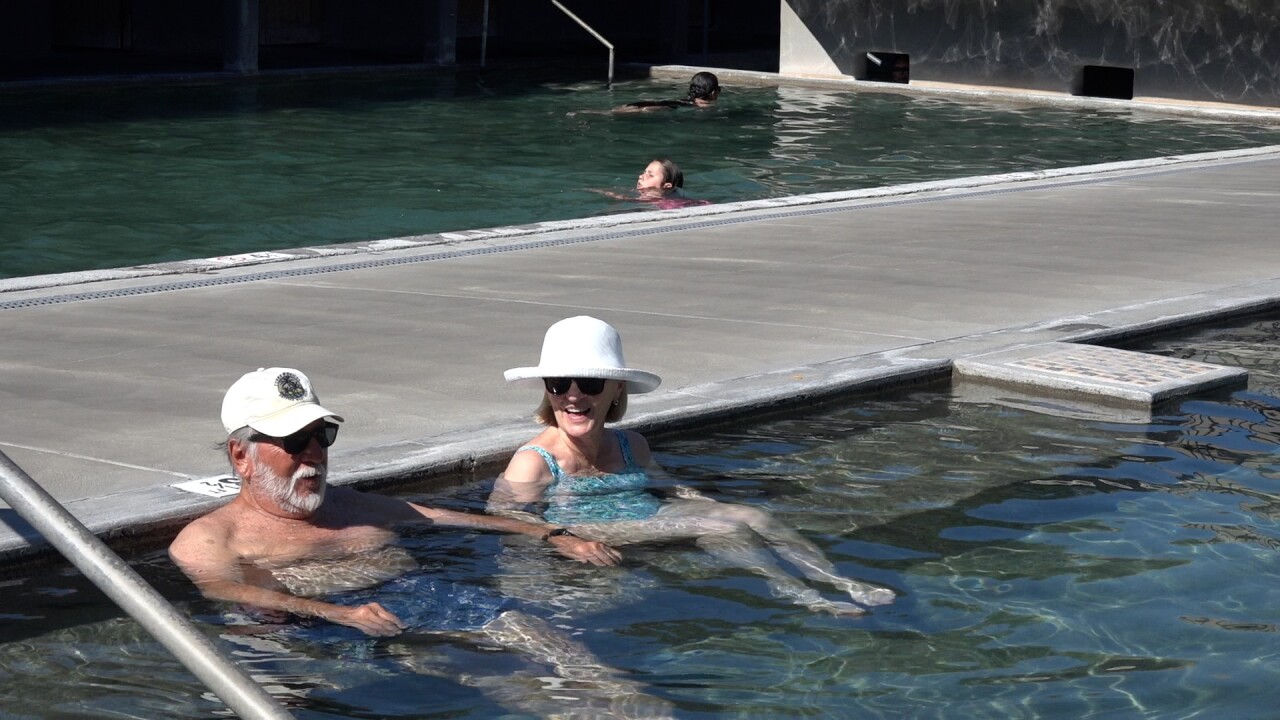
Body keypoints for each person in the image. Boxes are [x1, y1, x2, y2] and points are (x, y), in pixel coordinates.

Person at [169, 367, 670, 718]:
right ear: (241, 455)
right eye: (296, 441)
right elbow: (222, 590)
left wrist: (551, 532)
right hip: (356, 628)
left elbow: (440, 516)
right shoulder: (212, 536)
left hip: (446, 600)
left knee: (601, 679)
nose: (315, 454)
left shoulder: (352, 505)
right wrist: (334, 613)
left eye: (323, 436)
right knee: (537, 695)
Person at [489, 316, 897, 617]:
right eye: (560, 384)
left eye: (590, 384)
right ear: (548, 392)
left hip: (648, 520)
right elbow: (502, 518)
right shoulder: (533, 462)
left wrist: (703, 502)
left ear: (616, 390)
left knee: (751, 515)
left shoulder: (631, 444)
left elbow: (668, 488)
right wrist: (560, 546)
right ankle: (801, 595)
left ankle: (840, 581)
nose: (573, 397)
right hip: (588, 530)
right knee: (719, 526)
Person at [595, 158, 711, 209]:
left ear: (666, 186)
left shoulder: (666, 203)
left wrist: (618, 197)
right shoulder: (673, 194)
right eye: (643, 172)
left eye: (650, 175)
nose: (641, 176)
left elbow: (639, 201)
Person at [613, 71, 721, 113]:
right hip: (659, 108)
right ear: (713, 93)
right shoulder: (704, 109)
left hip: (661, 103)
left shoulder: (683, 101)